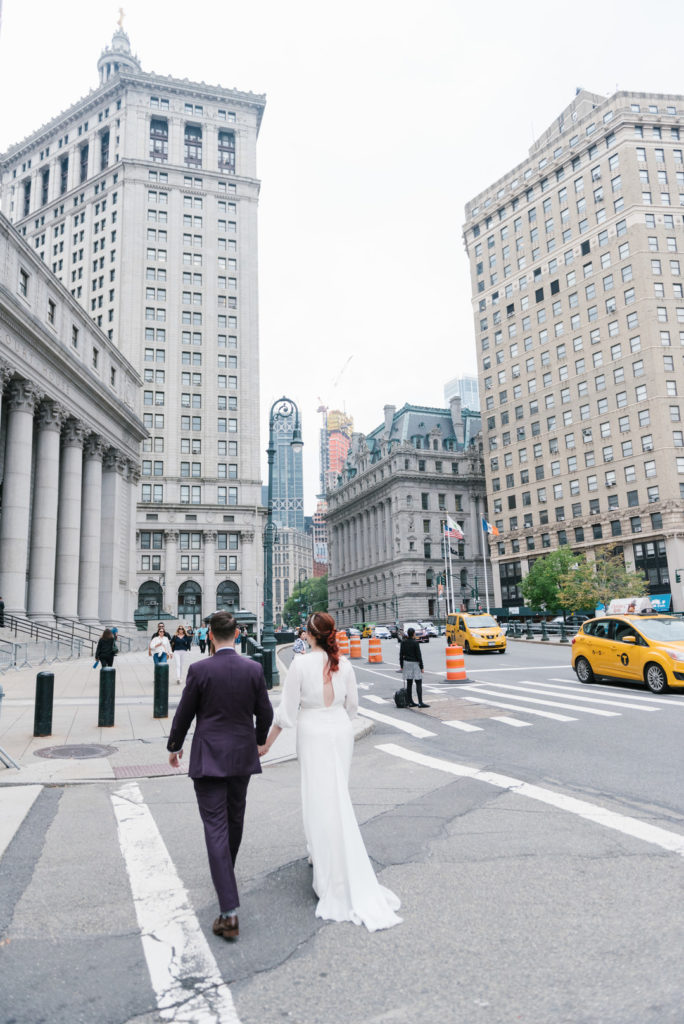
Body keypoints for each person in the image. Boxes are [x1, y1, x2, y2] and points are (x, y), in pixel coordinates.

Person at [259, 612, 402, 932]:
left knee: (316, 795)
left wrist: (266, 743)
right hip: (339, 730)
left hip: (312, 730)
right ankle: (325, 852)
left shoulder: (299, 664)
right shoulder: (346, 665)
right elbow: (352, 707)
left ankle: (320, 856)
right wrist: (336, 719)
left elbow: (286, 711)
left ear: (309, 635)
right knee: (338, 793)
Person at [167, 611, 273, 942]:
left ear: (210, 635)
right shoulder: (253, 669)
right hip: (242, 755)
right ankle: (226, 873)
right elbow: (265, 713)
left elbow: (185, 712)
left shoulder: (200, 670)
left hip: (209, 755)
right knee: (235, 818)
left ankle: (228, 913)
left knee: (215, 826)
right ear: (238, 634)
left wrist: (174, 746)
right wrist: (258, 740)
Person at [399, 627, 429, 709]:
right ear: (413, 634)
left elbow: (401, 655)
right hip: (415, 664)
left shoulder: (403, 642)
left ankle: (410, 701)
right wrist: (422, 667)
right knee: (418, 682)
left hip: (407, 663)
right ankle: (420, 702)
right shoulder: (415, 643)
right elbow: (419, 656)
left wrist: (401, 665)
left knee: (409, 683)